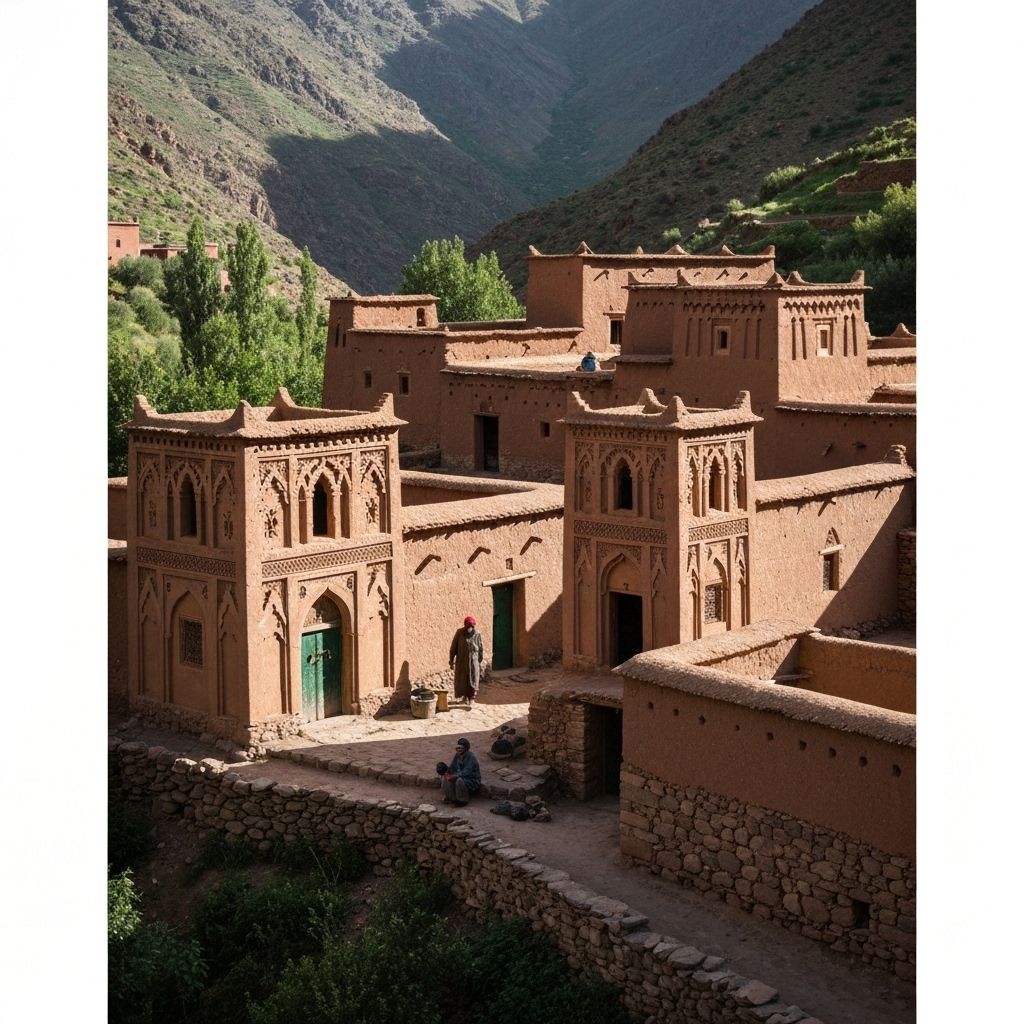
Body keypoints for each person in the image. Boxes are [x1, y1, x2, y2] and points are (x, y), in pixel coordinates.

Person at [449, 615, 484, 708]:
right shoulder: (459, 633)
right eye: (467, 627)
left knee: (473, 680)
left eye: (471, 627)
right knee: (463, 680)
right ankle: (464, 697)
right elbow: (453, 648)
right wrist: (451, 661)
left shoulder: (477, 634)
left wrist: (479, 661)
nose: (469, 629)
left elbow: (480, 648)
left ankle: (471, 698)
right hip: (462, 662)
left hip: (473, 662)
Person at [439, 738, 481, 806]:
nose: (459, 749)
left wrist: (454, 776)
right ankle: (451, 797)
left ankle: (462, 800)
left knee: (459, 780)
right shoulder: (457, 755)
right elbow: (452, 767)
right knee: (447, 777)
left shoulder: (471, 757)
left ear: (466, 748)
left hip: (472, 780)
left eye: (461, 748)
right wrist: (445, 770)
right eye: (457, 748)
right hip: (461, 776)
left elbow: (467, 772)